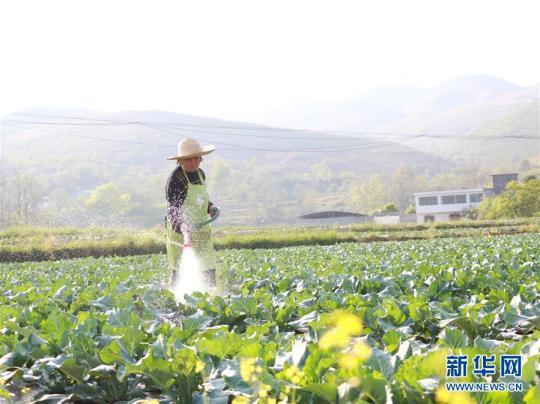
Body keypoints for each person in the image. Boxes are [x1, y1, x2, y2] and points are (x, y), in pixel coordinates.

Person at [165, 138, 217, 287]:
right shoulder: (176, 179)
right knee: (180, 272)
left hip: (202, 233)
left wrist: (210, 208)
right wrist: (182, 226)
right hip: (182, 235)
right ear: (180, 161)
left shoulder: (200, 174)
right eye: (188, 159)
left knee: (208, 270)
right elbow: (173, 209)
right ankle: (177, 304)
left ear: (201, 159)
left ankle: (211, 303)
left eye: (196, 158)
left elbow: (201, 199)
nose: (193, 162)